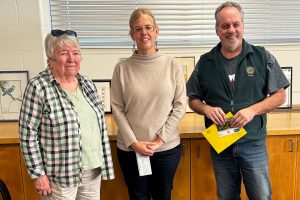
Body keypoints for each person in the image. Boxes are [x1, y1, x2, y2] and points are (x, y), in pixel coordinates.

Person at [187, 1, 290, 200]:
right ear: (217, 29)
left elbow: (280, 95)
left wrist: (252, 110)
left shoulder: (262, 56)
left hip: (253, 144)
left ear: (243, 25)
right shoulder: (205, 62)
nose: (231, 30)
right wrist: (206, 109)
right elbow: (193, 99)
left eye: (235, 24)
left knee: (261, 196)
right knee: (226, 196)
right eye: (225, 26)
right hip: (221, 144)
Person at [19, 29, 115, 200]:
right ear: (51, 59)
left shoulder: (87, 84)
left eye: (76, 53)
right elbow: (27, 134)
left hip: (92, 170)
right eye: (64, 53)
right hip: (60, 174)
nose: (72, 59)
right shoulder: (38, 87)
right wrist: (38, 174)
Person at [111, 8, 186, 200]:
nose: (144, 33)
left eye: (148, 27)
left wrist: (160, 140)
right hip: (131, 150)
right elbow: (117, 109)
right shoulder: (122, 68)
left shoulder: (172, 65)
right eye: (138, 29)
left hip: (166, 149)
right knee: (138, 196)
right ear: (132, 35)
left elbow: (179, 106)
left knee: (163, 196)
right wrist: (134, 143)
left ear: (156, 31)